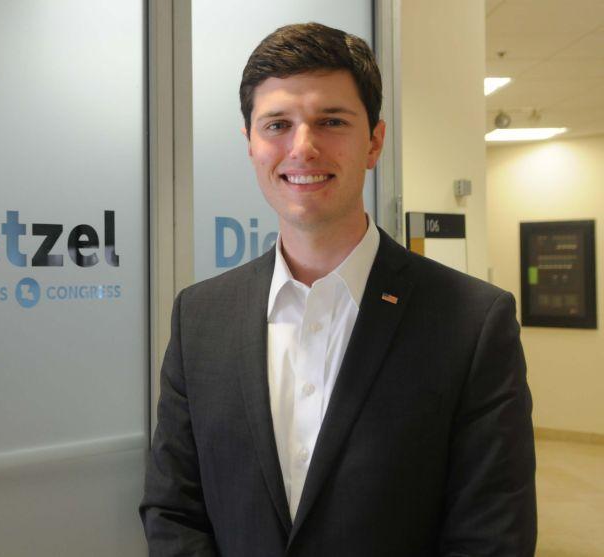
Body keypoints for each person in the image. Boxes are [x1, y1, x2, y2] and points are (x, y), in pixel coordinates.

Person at [140, 22, 536, 556]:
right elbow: (173, 508)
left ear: (374, 141)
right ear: (250, 144)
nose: (302, 148)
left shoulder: (471, 321)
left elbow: (492, 535)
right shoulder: (200, 316)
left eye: (331, 121)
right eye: (277, 124)